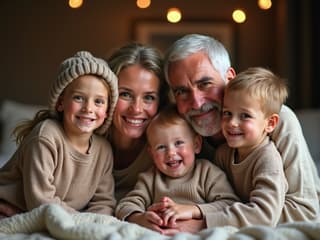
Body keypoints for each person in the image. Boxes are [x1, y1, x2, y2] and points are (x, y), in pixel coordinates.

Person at [155, 33, 320, 231]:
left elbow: (306, 212)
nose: (197, 103)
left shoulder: (277, 119)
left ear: (229, 78)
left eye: (205, 84)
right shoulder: (180, 132)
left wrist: (201, 222)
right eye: (182, 91)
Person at [0, 51, 118, 218]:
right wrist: (81, 220)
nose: (88, 108)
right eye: (78, 98)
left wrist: (95, 224)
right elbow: (41, 201)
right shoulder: (45, 136)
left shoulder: (103, 150)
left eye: (98, 101)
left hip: (56, 215)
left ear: (107, 110)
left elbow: (104, 202)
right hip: (8, 208)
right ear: (61, 103)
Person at [116, 105, 239, 234]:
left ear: (196, 144)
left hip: (197, 233)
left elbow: (229, 204)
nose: (170, 153)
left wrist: (192, 210)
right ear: (152, 154)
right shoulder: (150, 178)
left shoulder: (207, 172)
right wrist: (139, 218)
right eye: (161, 147)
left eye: (179, 143)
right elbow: (125, 205)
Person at [212, 67, 289, 226]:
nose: (232, 123)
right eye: (227, 113)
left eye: (245, 116)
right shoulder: (222, 154)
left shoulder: (268, 160)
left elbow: (265, 215)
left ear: (270, 123)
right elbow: (216, 198)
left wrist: (205, 222)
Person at [107, 43, 170, 201]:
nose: (136, 109)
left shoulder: (168, 148)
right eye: (126, 94)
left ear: (160, 101)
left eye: (148, 97)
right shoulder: (85, 138)